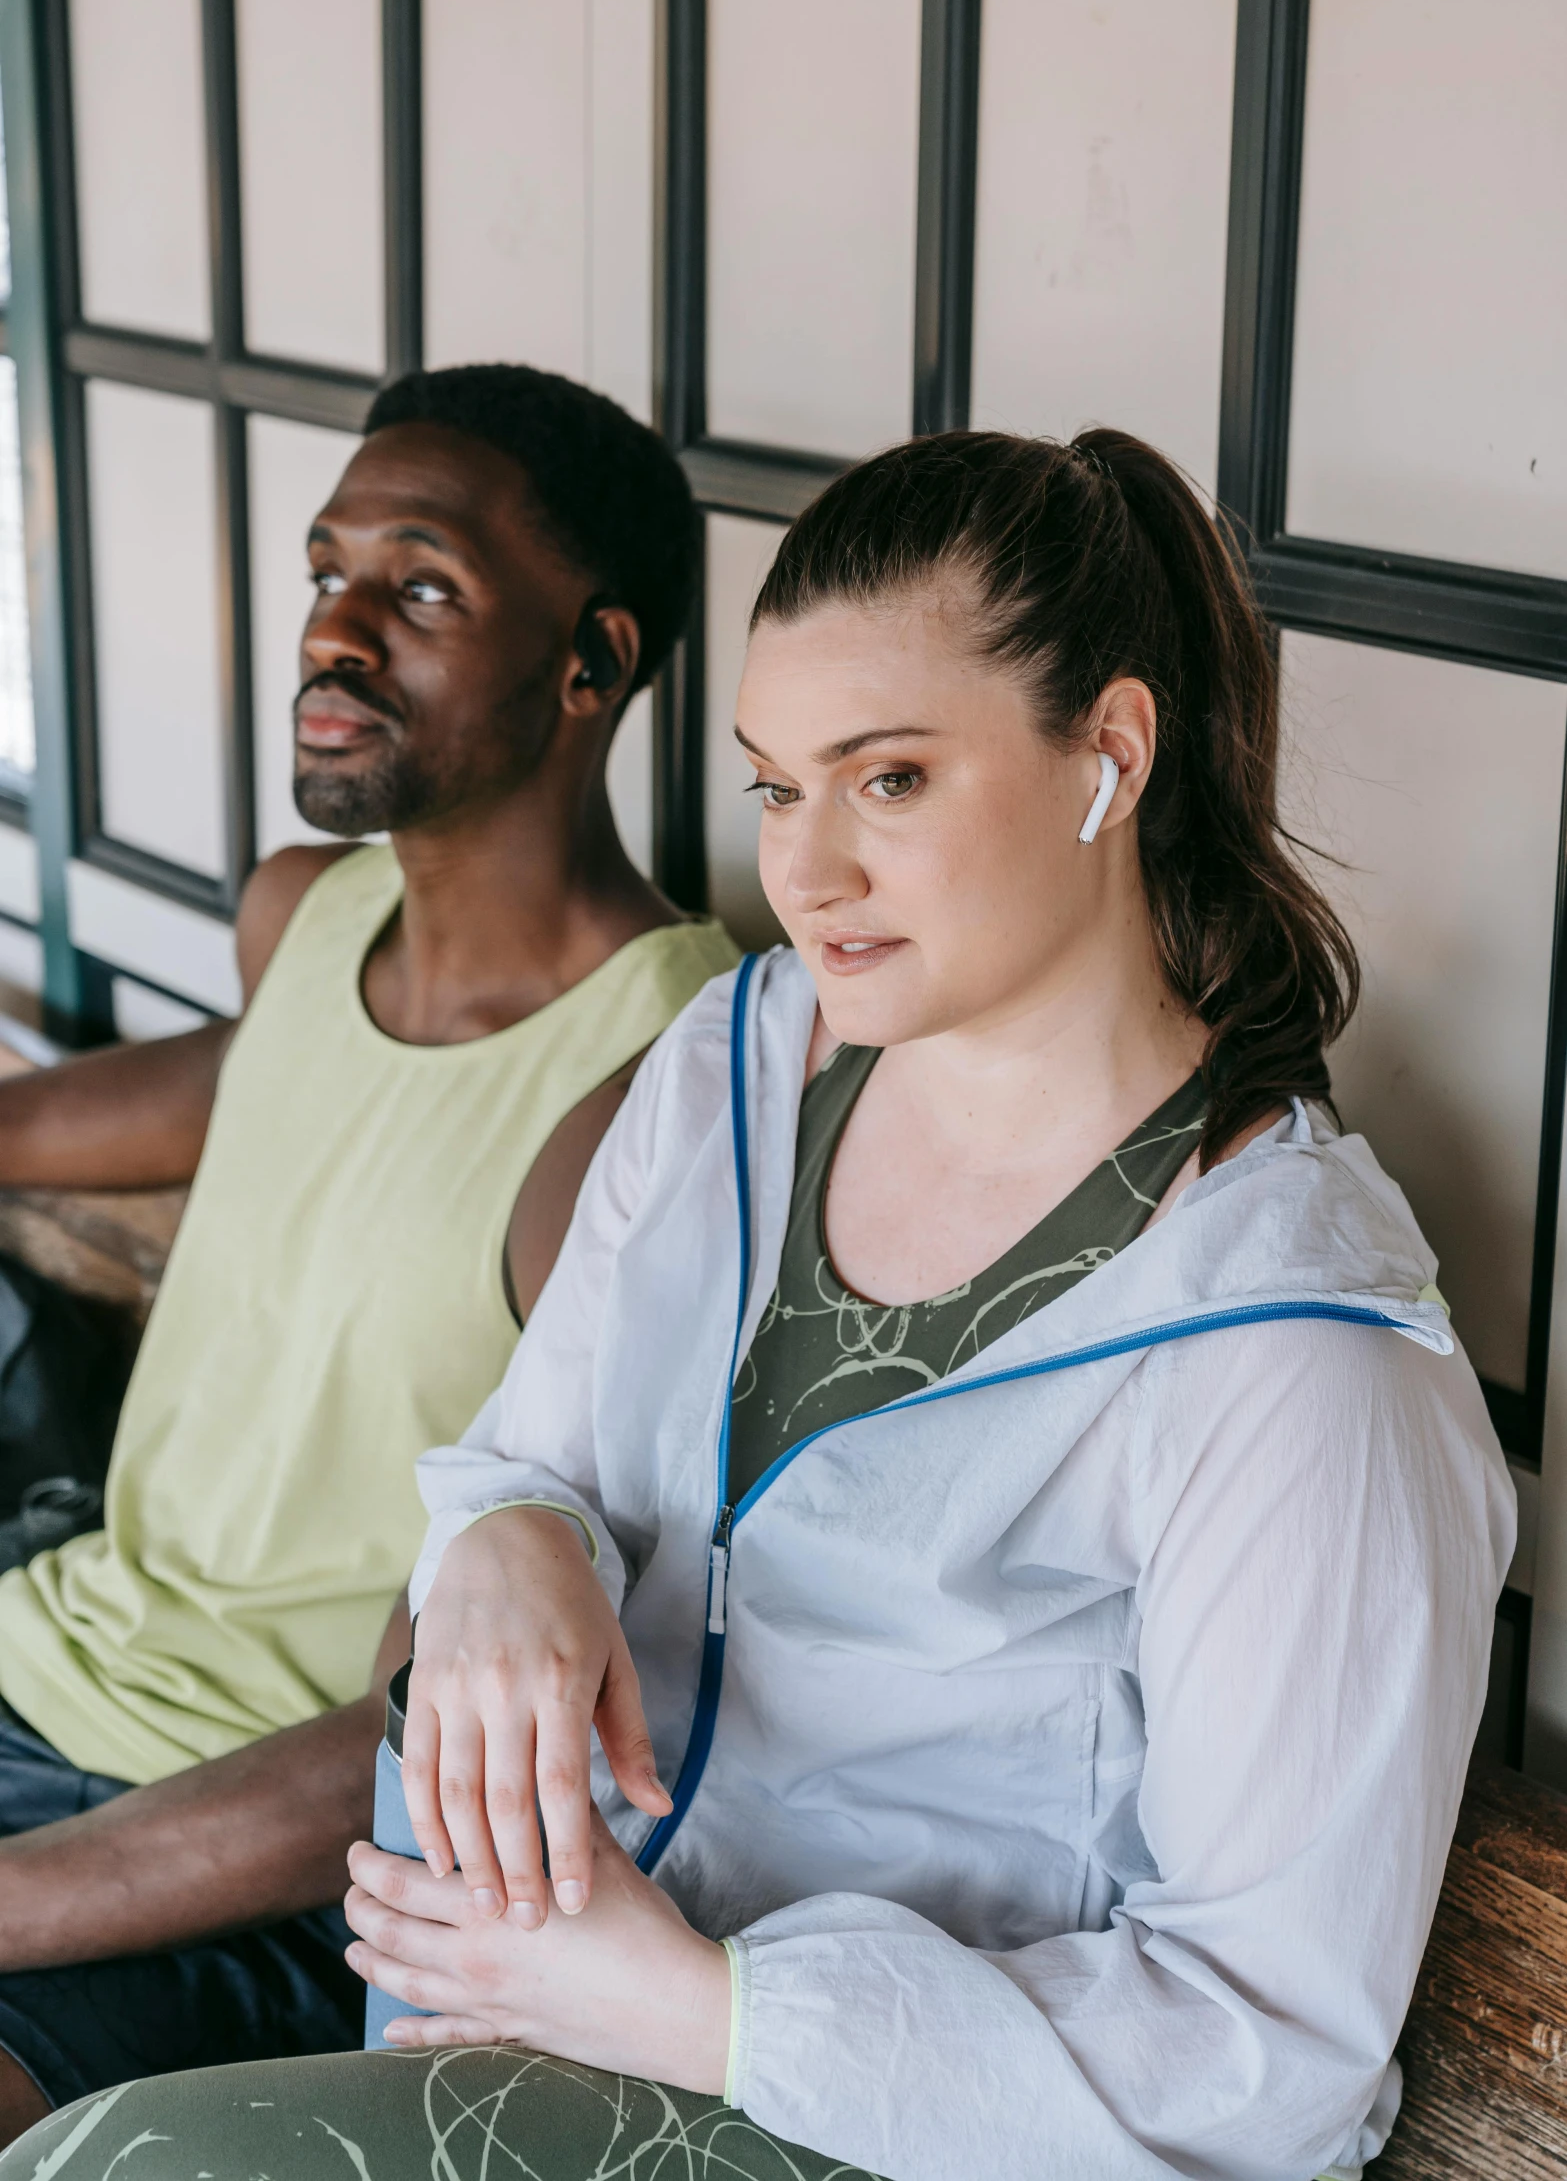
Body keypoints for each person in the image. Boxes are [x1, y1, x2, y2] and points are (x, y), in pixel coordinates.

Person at [4, 427, 1513, 2181]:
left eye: (888, 781)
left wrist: (707, 2011)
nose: (807, 871)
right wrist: (507, 1536)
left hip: (890, 2134)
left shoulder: (1301, 1363)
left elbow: (1265, 2057)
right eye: (776, 787)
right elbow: (531, 1455)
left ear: (1107, 753)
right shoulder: (735, 1058)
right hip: (504, 2014)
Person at [0, 363, 737, 2139]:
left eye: (418, 587)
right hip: (44, 1647)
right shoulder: (306, 920)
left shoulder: (663, 1091)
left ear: (592, 661)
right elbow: (78, 1121)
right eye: (328, 571)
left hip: (231, 1841)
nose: (331, 629)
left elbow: (446, 1723)